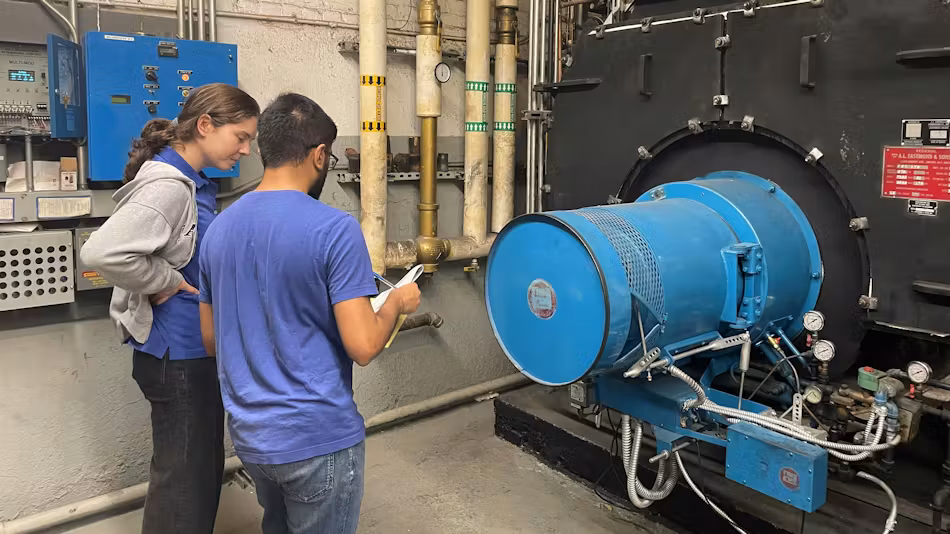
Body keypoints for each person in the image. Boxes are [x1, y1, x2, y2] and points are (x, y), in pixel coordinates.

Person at [197, 93, 421, 534]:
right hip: (317, 438)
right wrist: (396, 302)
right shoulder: (335, 229)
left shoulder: (219, 229)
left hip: (252, 440)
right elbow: (363, 346)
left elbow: (211, 341)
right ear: (319, 155)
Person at [80, 83, 260, 534]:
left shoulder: (191, 181)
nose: (245, 150)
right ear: (205, 125)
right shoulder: (170, 186)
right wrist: (166, 280)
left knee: (193, 476)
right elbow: (100, 253)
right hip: (176, 357)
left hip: (190, 352)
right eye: (240, 137)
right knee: (184, 489)